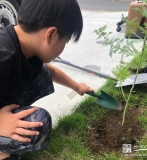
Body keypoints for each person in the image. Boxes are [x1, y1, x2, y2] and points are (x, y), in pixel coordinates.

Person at [0, 0, 94, 159]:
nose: (64, 47)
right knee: (39, 122)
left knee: (41, 74)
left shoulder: (27, 47)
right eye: (65, 41)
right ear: (50, 34)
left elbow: (50, 71)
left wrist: (77, 87)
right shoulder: (4, 58)